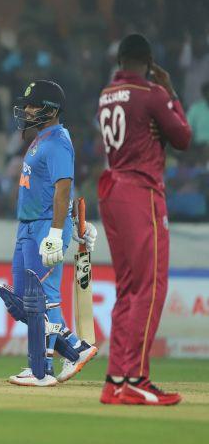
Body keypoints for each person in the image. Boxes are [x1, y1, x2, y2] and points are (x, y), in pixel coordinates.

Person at [97, 34, 191, 405]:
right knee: (150, 286)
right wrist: (171, 93)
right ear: (149, 62)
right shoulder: (152, 93)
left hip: (112, 189)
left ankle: (115, 379)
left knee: (127, 289)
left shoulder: (106, 94)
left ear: (120, 61)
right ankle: (136, 378)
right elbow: (182, 137)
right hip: (142, 191)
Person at [0, 80, 98, 387]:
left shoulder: (57, 141)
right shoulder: (41, 138)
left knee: (38, 299)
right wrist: (77, 222)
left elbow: (63, 188)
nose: (26, 110)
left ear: (50, 110)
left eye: (32, 105)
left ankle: (42, 369)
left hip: (44, 225)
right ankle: (72, 350)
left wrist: (58, 230)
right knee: (23, 302)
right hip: (28, 224)